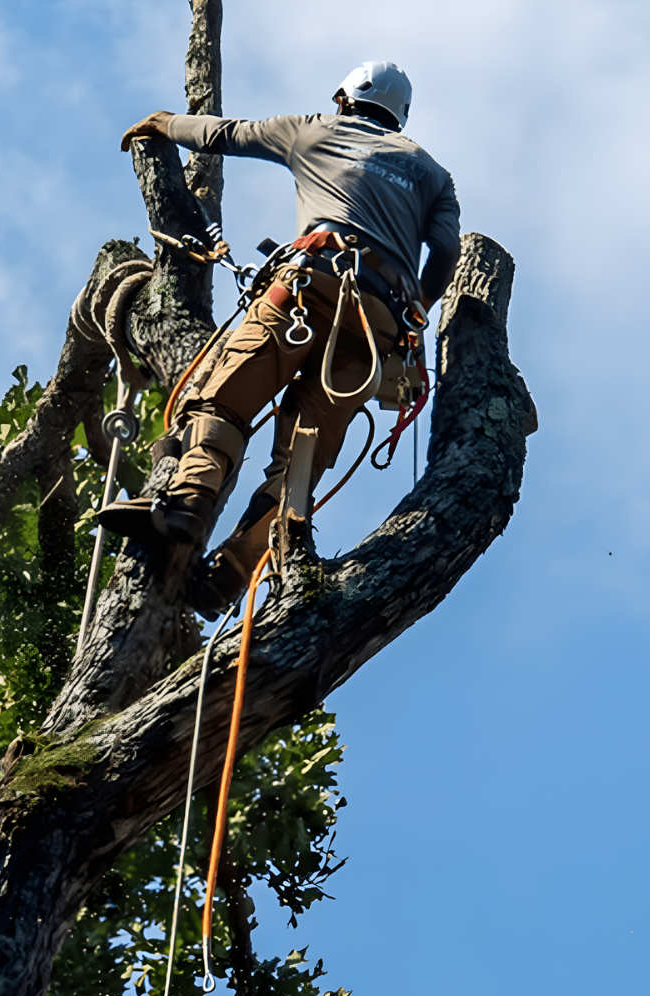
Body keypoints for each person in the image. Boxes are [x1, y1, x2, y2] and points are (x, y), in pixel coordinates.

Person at [99, 61, 462, 616]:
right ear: (398, 116)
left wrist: (165, 122)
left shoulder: (315, 129)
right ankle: (232, 574)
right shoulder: (432, 172)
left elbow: (226, 134)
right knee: (302, 459)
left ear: (346, 97)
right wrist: (414, 312)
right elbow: (447, 255)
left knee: (220, 399)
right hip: (377, 327)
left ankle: (186, 509)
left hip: (307, 286)